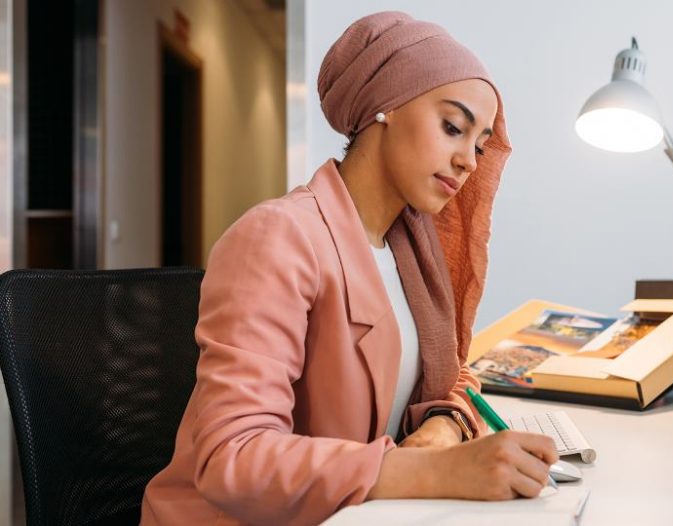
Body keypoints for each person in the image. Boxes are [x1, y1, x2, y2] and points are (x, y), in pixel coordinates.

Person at [141, 11, 558, 525]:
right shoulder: (277, 237)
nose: (470, 160)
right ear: (385, 106)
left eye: (478, 143)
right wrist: (435, 471)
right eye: (453, 127)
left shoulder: (411, 249)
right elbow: (234, 458)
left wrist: (446, 427)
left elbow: (455, 374)